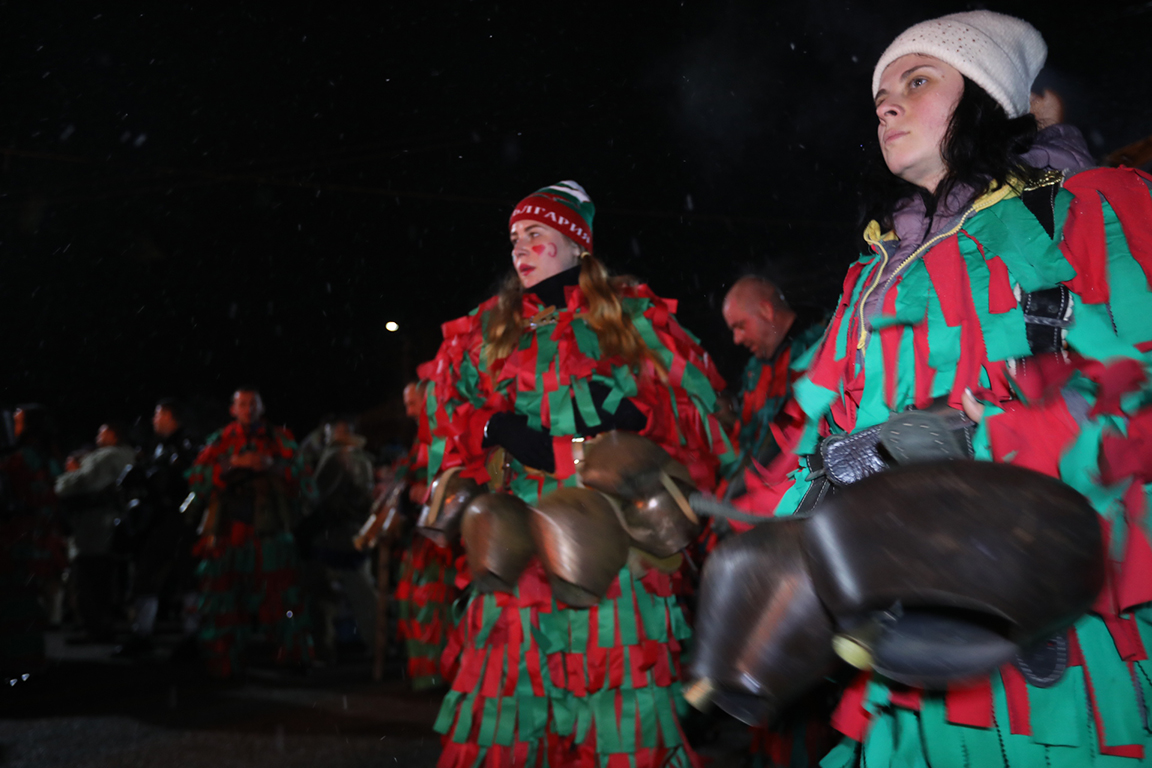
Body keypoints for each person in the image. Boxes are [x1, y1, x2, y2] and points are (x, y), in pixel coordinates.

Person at [723, 11, 1151, 767]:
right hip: (908, 651)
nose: (885, 103)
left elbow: (1134, 388)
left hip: (1059, 648)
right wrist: (763, 527)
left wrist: (989, 445)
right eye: (881, 93)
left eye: (916, 82)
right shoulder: (875, 274)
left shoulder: (1094, 210)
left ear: (988, 98)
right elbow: (822, 433)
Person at [423, 180, 735, 767]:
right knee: (510, 711)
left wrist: (603, 435)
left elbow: (693, 420)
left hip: (613, 550)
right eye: (516, 237)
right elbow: (445, 414)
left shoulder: (630, 318)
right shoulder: (486, 330)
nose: (520, 248)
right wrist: (495, 431)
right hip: (515, 551)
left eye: (536, 235)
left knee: (618, 712)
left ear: (575, 244)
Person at [185, 387, 312, 678]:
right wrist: (232, 465)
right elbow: (197, 479)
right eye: (242, 404)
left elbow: (304, 480)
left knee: (283, 593)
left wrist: (273, 466)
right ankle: (225, 660)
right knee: (225, 594)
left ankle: (292, 653)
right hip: (230, 528)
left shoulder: (280, 440)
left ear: (261, 408)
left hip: (270, 529)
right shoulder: (220, 440)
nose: (247, 409)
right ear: (233, 409)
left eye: (252, 404)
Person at [721, 276, 826, 493]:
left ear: (766, 311)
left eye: (740, 326)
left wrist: (749, 484)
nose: (736, 339)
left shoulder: (823, 343)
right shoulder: (757, 368)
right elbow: (754, 434)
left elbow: (801, 434)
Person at [114, 399, 199, 658]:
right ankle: (143, 633)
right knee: (148, 576)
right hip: (161, 521)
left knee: (187, 579)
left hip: (180, 521)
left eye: (158, 414)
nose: (154, 420)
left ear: (170, 417)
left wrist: (156, 475)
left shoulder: (185, 446)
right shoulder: (161, 446)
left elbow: (189, 481)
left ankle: (193, 636)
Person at [392, 380, 458, 690]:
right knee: (410, 600)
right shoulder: (420, 441)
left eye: (412, 403)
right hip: (422, 538)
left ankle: (441, 675)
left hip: (446, 540)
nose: (408, 412)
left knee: (434, 603)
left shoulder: (450, 434)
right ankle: (426, 676)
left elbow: (461, 480)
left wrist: (429, 493)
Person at [298, 416, 378, 663]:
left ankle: (323, 648)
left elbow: (315, 495)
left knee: (323, 598)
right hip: (356, 533)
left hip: (330, 534)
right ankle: (378, 645)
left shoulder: (334, 457)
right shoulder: (363, 458)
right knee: (364, 595)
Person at [55, 421, 135, 643]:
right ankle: (105, 625)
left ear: (113, 435)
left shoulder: (106, 457)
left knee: (87, 579)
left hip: (94, 527)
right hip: (112, 526)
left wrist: (65, 477)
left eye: (102, 432)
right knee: (106, 580)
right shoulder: (129, 455)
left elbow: (82, 482)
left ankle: (95, 629)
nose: (99, 436)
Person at [0, 405, 65, 674]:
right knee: (29, 595)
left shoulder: (18, 460)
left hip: (19, 535)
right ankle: (31, 654)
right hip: (42, 533)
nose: (13, 428)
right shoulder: (49, 456)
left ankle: (20, 658)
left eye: (18, 422)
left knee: (15, 597)